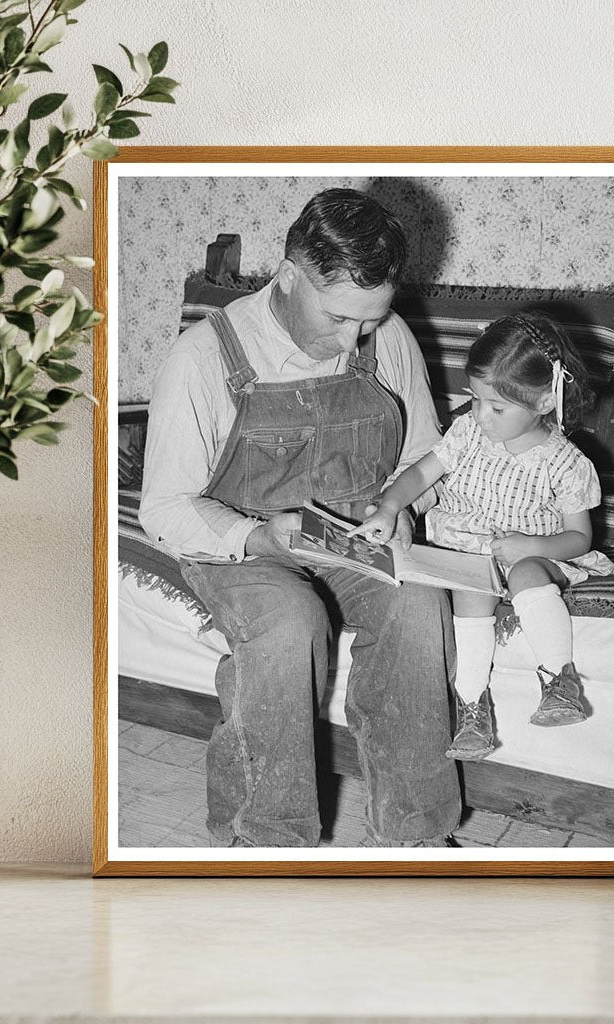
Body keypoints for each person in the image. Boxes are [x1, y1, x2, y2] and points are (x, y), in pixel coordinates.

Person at [139, 187, 462, 847]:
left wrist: (403, 506)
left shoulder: (388, 335)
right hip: (238, 541)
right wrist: (257, 536)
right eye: (338, 316)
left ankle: (416, 833)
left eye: (369, 320)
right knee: (289, 622)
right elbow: (166, 507)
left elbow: (424, 455)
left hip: (354, 534)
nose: (353, 339)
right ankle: (267, 838)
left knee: (419, 602)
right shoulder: (203, 357)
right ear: (289, 276)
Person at [349, 313, 614, 760]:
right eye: (475, 399)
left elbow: (579, 538)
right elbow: (421, 474)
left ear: (544, 402)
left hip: (538, 557)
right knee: (471, 590)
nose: (481, 415)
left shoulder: (566, 463)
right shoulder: (467, 434)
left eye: (497, 408)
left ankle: (559, 681)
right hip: (471, 557)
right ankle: (472, 706)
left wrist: (532, 546)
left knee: (527, 572)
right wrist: (391, 506)